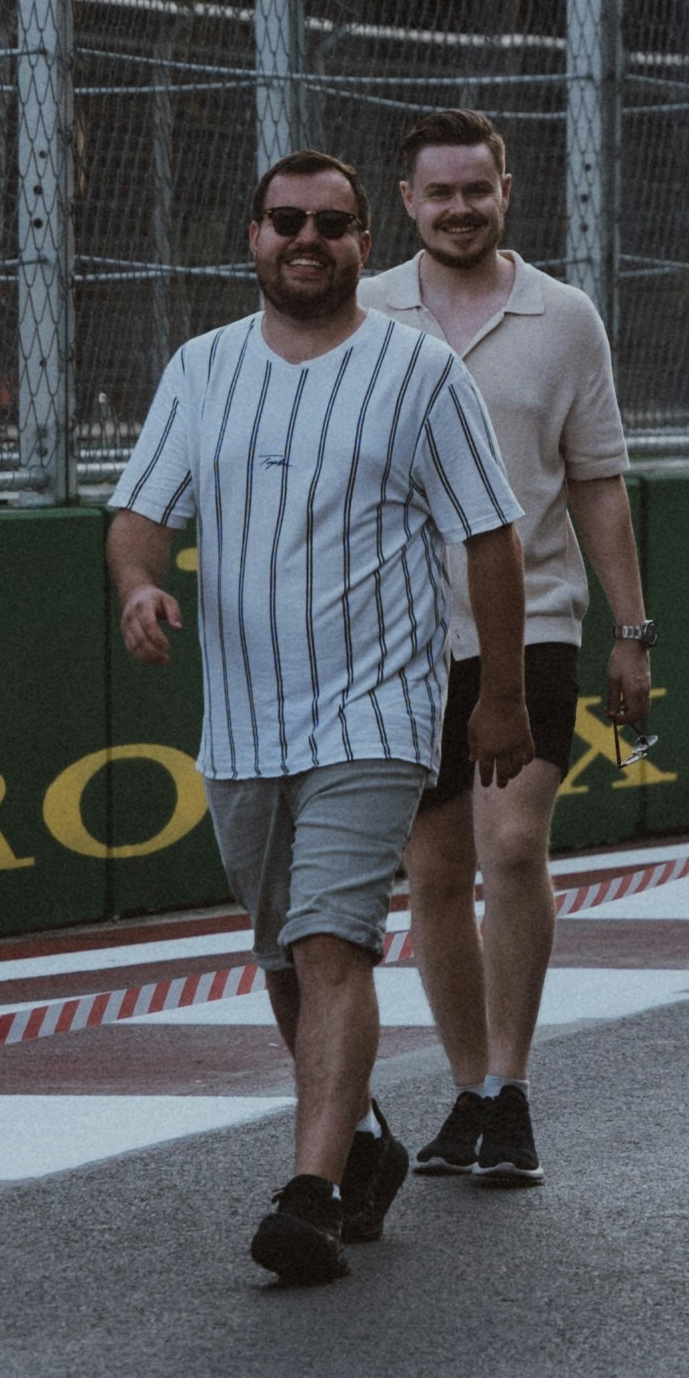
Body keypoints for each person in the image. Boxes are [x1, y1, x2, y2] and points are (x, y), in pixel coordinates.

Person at [106, 148, 528, 1290]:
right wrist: (142, 585)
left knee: (330, 940)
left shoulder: (420, 374)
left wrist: (498, 694)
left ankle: (310, 1192)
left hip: (375, 712)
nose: (306, 241)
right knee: (283, 955)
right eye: (284, 221)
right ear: (251, 236)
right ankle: (368, 1144)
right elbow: (140, 514)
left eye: (330, 225)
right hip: (243, 721)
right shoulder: (202, 369)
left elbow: (489, 536)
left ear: (361, 243)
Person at [358, 102, 656, 1193]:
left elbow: (597, 482)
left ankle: (513, 1091)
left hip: (527, 620)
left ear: (506, 191)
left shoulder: (564, 317)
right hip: (392, 636)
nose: (459, 208)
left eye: (476, 189)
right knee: (432, 868)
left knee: (512, 847)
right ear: (406, 204)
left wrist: (631, 634)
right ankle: (467, 1090)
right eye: (438, 193)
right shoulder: (364, 310)